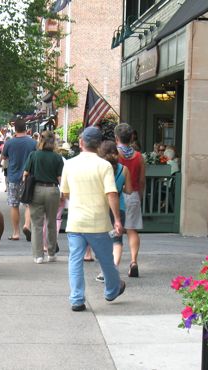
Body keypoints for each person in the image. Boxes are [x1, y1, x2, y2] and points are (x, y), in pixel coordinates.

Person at [61, 126, 125, 312]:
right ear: (99, 145)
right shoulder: (104, 165)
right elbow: (111, 194)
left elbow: (65, 192)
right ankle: (112, 290)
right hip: (97, 221)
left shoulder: (69, 165)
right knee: (105, 259)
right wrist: (117, 220)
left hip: (76, 221)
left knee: (75, 260)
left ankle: (77, 299)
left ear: (81, 143)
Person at [23, 131, 64, 263]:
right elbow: (60, 178)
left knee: (36, 224)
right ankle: (51, 253)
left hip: (36, 190)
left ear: (40, 140)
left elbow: (25, 174)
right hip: (52, 190)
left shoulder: (33, 155)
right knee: (52, 222)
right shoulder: (57, 157)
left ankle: (38, 255)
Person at [96, 140, 133, 282]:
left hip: (102, 206)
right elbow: (129, 190)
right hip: (119, 207)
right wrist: (120, 188)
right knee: (117, 240)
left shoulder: (99, 168)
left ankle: (104, 271)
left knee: (103, 240)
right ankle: (114, 268)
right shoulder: (124, 169)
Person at [115, 123, 145, 278]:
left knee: (116, 231)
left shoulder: (114, 155)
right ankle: (133, 261)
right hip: (132, 194)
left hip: (117, 195)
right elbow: (141, 181)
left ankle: (114, 265)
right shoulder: (139, 156)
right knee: (132, 230)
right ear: (131, 137)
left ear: (117, 138)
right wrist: (139, 195)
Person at [1, 119, 37, 241]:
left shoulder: (9, 143)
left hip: (13, 177)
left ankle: (16, 233)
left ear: (15, 129)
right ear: (26, 129)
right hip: (28, 177)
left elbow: (4, 157)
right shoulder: (33, 143)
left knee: (14, 205)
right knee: (28, 204)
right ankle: (27, 225)